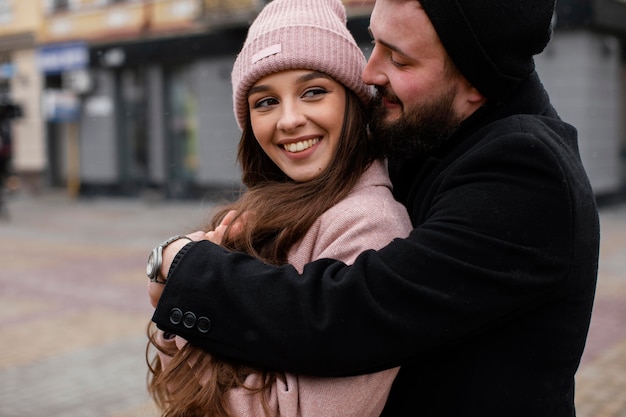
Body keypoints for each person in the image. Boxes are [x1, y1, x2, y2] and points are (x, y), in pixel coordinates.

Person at [149, 0, 601, 415]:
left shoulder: (525, 171)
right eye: (374, 44)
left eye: (399, 58)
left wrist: (187, 267)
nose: (368, 73)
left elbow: (351, 313)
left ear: (473, 83)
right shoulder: (429, 129)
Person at [146, 0, 412, 416]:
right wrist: (177, 278)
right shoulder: (261, 213)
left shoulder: (369, 225)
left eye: (313, 92)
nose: (288, 120)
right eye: (265, 102)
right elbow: (173, 385)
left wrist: (183, 282)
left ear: (354, 102)